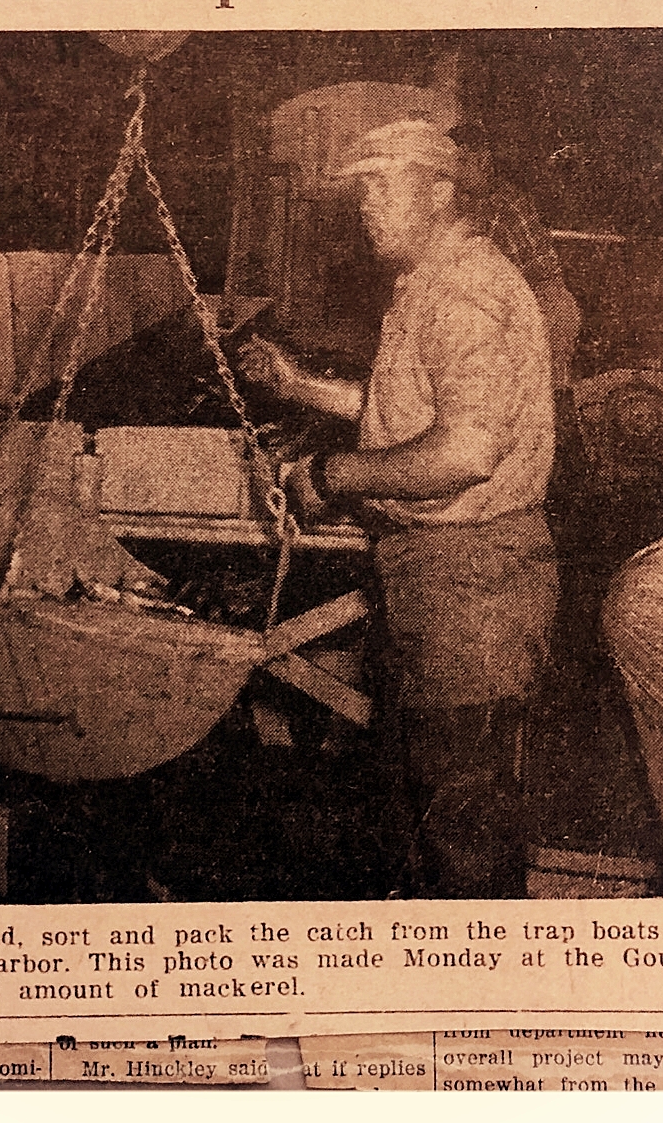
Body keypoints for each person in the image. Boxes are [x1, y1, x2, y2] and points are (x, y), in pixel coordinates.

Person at [241, 119, 559, 898]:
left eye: (384, 184)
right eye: (362, 188)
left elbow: (463, 452)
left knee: (462, 832)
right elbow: (417, 414)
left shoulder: (462, 289)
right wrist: (300, 385)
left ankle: (488, 1003)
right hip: (444, 579)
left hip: (470, 585)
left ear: (441, 192)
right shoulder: (431, 281)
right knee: (437, 819)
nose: (366, 206)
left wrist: (332, 473)